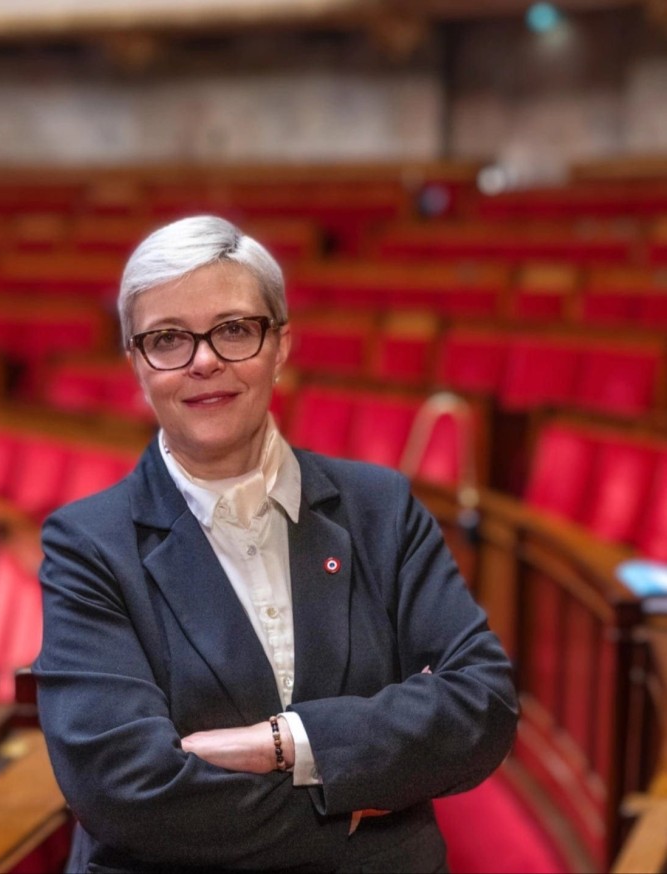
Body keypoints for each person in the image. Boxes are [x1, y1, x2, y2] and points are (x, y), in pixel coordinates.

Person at [34, 215, 519, 873]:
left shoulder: (380, 506)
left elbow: (482, 704)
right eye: (168, 338)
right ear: (137, 364)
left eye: (234, 329)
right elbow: (123, 790)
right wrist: (355, 802)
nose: (204, 361)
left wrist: (285, 741)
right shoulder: (86, 543)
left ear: (280, 345)